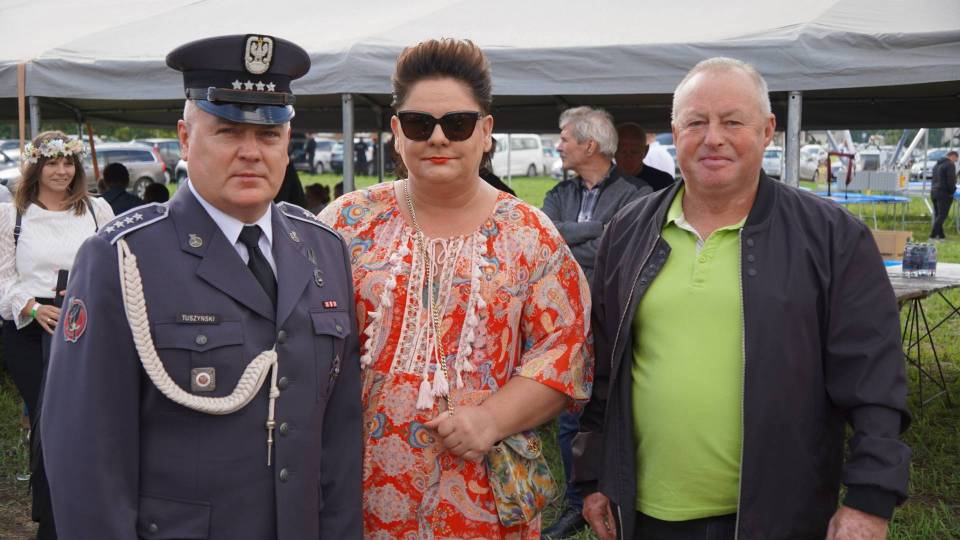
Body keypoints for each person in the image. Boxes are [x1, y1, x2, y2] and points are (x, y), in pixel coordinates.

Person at [41, 34, 362, 539]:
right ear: (186, 138)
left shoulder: (324, 249)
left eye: (269, 134)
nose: (251, 152)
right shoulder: (122, 257)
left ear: (288, 141)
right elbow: (85, 455)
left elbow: (339, 438)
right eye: (228, 131)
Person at [575, 57, 910, 540]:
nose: (713, 137)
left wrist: (870, 499)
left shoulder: (832, 237)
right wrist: (595, 477)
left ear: (768, 130)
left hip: (780, 517)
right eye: (696, 122)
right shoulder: (628, 231)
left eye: (732, 121)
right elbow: (604, 369)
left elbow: (874, 379)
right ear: (675, 132)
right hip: (648, 514)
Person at [319, 38, 592, 539]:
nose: (439, 138)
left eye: (458, 124)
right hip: (357, 494)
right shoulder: (346, 222)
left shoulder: (529, 234)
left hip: (482, 500)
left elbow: (565, 353)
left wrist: (491, 420)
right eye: (420, 124)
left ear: (486, 132)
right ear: (397, 132)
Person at [540, 106, 649, 540]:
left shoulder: (637, 194)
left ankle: (621, 497)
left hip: (616, 321)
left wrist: (576, 238)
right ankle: (577, 503)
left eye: (565, 138)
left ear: (589, 145)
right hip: (568, 321)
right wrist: (598, 231)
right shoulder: (557, 193)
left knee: (620, 411)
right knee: (571, 415)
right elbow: (547, 240)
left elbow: (620, 252)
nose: (559, 146)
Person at [0, 130, 115, 540]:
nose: (62, 171)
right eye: (52, 163)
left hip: (86, 324)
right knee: (48, 417)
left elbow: (117, 263)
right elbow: (3, 278)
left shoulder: (98, 210)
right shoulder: (12, 215)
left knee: (81, 417)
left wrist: (91, 295)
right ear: (36, 167)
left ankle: (82, 509)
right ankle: (49, 517)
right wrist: (32, 306)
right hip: (31, 328)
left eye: (68, 163)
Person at [615, 123, 676, 191]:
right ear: (613, 152)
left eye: (634, 152)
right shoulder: (606, 181)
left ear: (645, 151)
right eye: (623, 152)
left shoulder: (664, 182)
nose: (628, 158)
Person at [929, 150, 958, 239]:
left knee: (938, 215)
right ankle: (932, 235)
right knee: (942, 215)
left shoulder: (936, 165)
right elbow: (951, 181)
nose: (955, 161)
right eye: (956, 159)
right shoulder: (950, 165)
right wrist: (952, 191)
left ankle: (941, 236)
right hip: (943, 193)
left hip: (934, 192)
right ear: (952, 156)